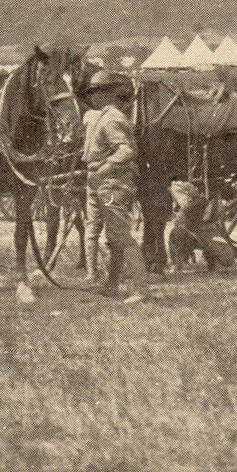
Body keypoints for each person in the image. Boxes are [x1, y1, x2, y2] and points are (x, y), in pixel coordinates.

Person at [80, 70, 146, 303]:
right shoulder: (99, 116)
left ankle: (139, 289)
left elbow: (126, 150)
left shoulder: (112, 118)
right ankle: (111, 284)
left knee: (121, 237)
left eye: (97, 91)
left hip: (112, 183)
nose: (93, 96)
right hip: (97, 181)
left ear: (109, 94)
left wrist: (104, 168)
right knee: (110, 236)